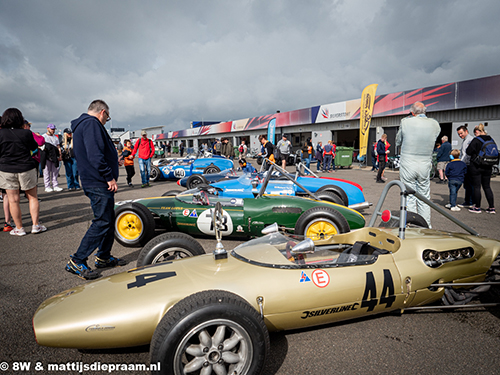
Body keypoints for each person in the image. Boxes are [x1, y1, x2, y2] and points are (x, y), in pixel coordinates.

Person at [66, 99, 125, 280]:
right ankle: (77, 260)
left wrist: (113, 160)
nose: (107, 120)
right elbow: (95, 154)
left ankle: (103, 256)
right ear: (103, 112)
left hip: (95, 180)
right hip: (98, 182)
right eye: (107, 117)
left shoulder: (82, 126)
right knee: (102, 221)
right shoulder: (92, 124)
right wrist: (108, 176)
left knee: (108, 219)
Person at [0, 108, 47, 236]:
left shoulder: (1, 133)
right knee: (32, 197)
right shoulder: (26, 133)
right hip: (26, 167)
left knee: (13, 200)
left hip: (6, 169)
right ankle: (36, 225)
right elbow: (33, 147)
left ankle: (19, 228)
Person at [396, 101, 440, 226]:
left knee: (409, 196)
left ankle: (413, 225)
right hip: (425, 163)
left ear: (412, 112)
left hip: (408, 162)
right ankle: (426, 225)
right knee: (424, 196)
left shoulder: (405, 122)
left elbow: (398, 140)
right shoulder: (435, 124)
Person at [465, 123, 495, 214]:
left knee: (477, 187)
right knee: (487, 186)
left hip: (477, 166)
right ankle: (491, 207)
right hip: (488, 166)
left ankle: (477, 207)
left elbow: (468, 152)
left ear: (477, 131)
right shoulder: (490, 139)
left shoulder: (476, 140)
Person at [456, 125, 475, 208]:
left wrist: (461, 164)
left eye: (461, 133)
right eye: (459, 134)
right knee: (468, 184)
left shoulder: (469, 140)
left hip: (468, 165)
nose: (460, 135)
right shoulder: (466, 140)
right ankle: (470, 200)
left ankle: (469, 201)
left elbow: (467, 155)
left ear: (466, 131)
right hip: (467, 164)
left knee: (469, 184)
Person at [42, 123, 63, 192]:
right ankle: (47, 186)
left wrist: (60, 155)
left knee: (55, 171)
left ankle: (55, 185)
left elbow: (58, 146)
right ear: (48, 128)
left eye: (54, 129)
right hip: (47, 156)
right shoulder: (44, 137)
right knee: (46, 171)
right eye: (52, 129)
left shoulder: (55, 137)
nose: (53, 130)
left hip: (54, 156)